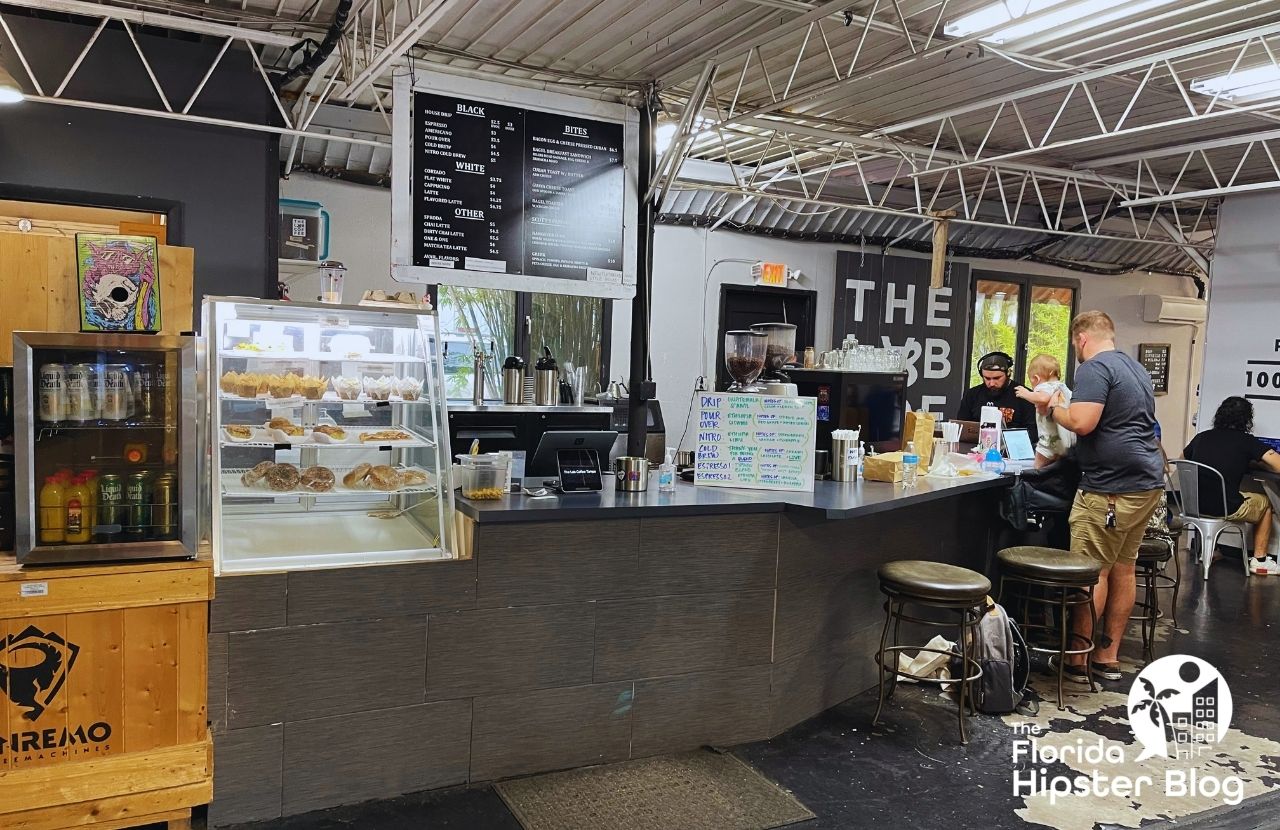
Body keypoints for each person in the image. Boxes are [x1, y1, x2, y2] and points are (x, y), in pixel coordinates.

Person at [1044, 311, 1163, 684]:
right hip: (1146, 482)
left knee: (1091, 572)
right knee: (1123, 568)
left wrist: (1053, 407)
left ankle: (1077, 661)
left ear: (1081, 339)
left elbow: (1082, 422)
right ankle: (1107, 657)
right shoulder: (1135, 368)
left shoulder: (1093, 368)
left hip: (1109, 488)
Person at [1183, 396, 1280, 575]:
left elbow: (1183, 460)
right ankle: (1260, 561)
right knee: (1265, 503)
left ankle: (1211, 551)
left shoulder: (1201, 437)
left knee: (1219, 494)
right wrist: (1253, 462)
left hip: (1193, 505)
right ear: (1247, 419)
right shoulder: (1246, 441)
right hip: (1224, 508)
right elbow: (1278, 465)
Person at [955, 351, 1038, 443]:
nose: (991, 383)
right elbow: (961, 427)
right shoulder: (972, 394)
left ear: (1008, 373)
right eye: (987, 378)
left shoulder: (1024, 395)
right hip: (975, 449)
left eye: (997, 378)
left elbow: (1033, 433)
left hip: (1013, 450)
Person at [1015, 353, 1076, 468]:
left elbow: (1043, 398)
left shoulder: (1044, 386)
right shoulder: (1064, 388)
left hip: (1048, 442)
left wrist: (1027, 394)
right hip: (1065, 441)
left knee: (1037, 468)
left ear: (1036, 379)